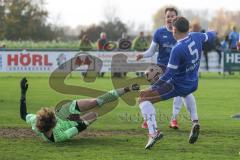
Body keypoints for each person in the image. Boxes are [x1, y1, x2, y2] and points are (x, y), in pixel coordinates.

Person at [138, 16, 216, 149]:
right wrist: (213, 31)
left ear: (174, 30)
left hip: (177, 85)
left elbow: (169, 73)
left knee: (143, 99)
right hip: (193, 83)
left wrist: (152, 87)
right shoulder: (196, 36)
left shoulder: (178, 49)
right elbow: (211, 35)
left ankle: (153, 133)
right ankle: (195, 122)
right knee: (186, 94)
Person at [20, 77, 140, 143]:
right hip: (75, 121)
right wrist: (89, 120)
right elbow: (79, 127)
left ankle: (127, 89)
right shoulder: (59, 137)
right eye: (54, 117)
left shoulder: (35, 122)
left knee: (97, 101)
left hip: (65, 111)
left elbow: (23, 114)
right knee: (95, 113)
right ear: (52, 123)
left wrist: (23, 93)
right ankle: (110, 99)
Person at [136, 7, 197, 130]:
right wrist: (142, 55)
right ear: (165, 18)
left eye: (172, 16)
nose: (170, 18)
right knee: (152, 93)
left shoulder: (182, 33)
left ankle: (174, 119)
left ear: (177, 18)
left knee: (181, 93)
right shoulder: (159, 32)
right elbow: (151, 51)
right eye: (168, 16)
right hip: (162, 69)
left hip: (178, 70)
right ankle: (147, 120)